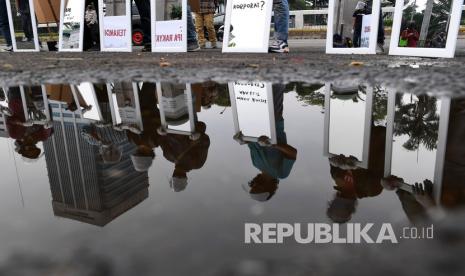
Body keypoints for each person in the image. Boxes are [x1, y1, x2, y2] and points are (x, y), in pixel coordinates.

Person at [234, 85, 297, 201]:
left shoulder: (256, 164)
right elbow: (293, 153)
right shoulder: (281, 174)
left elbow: (252, 143)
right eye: (257, 188)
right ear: (269, 188)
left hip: (253, 121)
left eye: (252, 187)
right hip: (273, 122)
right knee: (274, 87)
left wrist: (243, 139)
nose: (254, 185)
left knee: (253, 87)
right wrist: (273, 144)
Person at [6, 87, 53, 162]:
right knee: (37, 87)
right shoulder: (42, 137)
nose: (32, 148)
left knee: (15, 84)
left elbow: (9, 120)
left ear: (23, 149)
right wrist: (47, 125)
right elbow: (47, 128)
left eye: (29, 150)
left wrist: (22, 123)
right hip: (37, 106)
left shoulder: (14, 135)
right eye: (34, 150)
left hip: (17, 103)